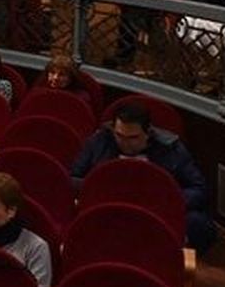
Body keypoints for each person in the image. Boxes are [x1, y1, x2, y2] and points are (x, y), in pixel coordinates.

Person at [71, 101, 213, 249]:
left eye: (133, 138)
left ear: (148, 132)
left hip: (156, 212)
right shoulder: (98, 141)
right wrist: (100, 188)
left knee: (198, 224)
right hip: (108, 210)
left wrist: (167, 201)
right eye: (119, 135)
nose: (125, 143)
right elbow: (74, 178)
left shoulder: (171, 149)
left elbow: (199, 188)